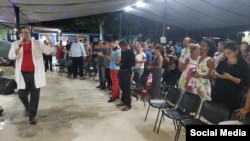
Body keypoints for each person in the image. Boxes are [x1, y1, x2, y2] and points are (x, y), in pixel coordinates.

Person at [8, 26, 54, 125]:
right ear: (20, 34)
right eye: (23, 32)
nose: (26, 34)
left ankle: (32, 116)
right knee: (22, 94)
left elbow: (49, 51)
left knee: (35, 95)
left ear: (30, 33)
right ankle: (28, 106)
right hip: (22, 74)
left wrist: (49, 40)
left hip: (35, 74)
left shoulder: (37, 43)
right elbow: (11, 56)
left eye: (27, 32)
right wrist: (19, 46)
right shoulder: (16, 43)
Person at [211, 40, 250, 114]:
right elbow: (217, 76)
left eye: (229, 53)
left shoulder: (243, 65)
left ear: (236, 51)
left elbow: (245, 82)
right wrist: (214, 74)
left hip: (232, 96)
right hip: (218, 93)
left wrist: (230, 78)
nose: (227, 55)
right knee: (214, 115)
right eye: (225, 53)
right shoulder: (222, 63)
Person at [116, 40, 135, 111]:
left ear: (125, 45)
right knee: (122, 87)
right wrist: (120, 63)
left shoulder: (131, 53)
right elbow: (122, 61)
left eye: (121, 47)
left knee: (126, 89)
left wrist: (123, 64)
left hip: (127, 71)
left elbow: (133, 63)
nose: (121, 48)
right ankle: (123, 101)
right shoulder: (123, 52)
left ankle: (128, 105)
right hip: (122, 71)